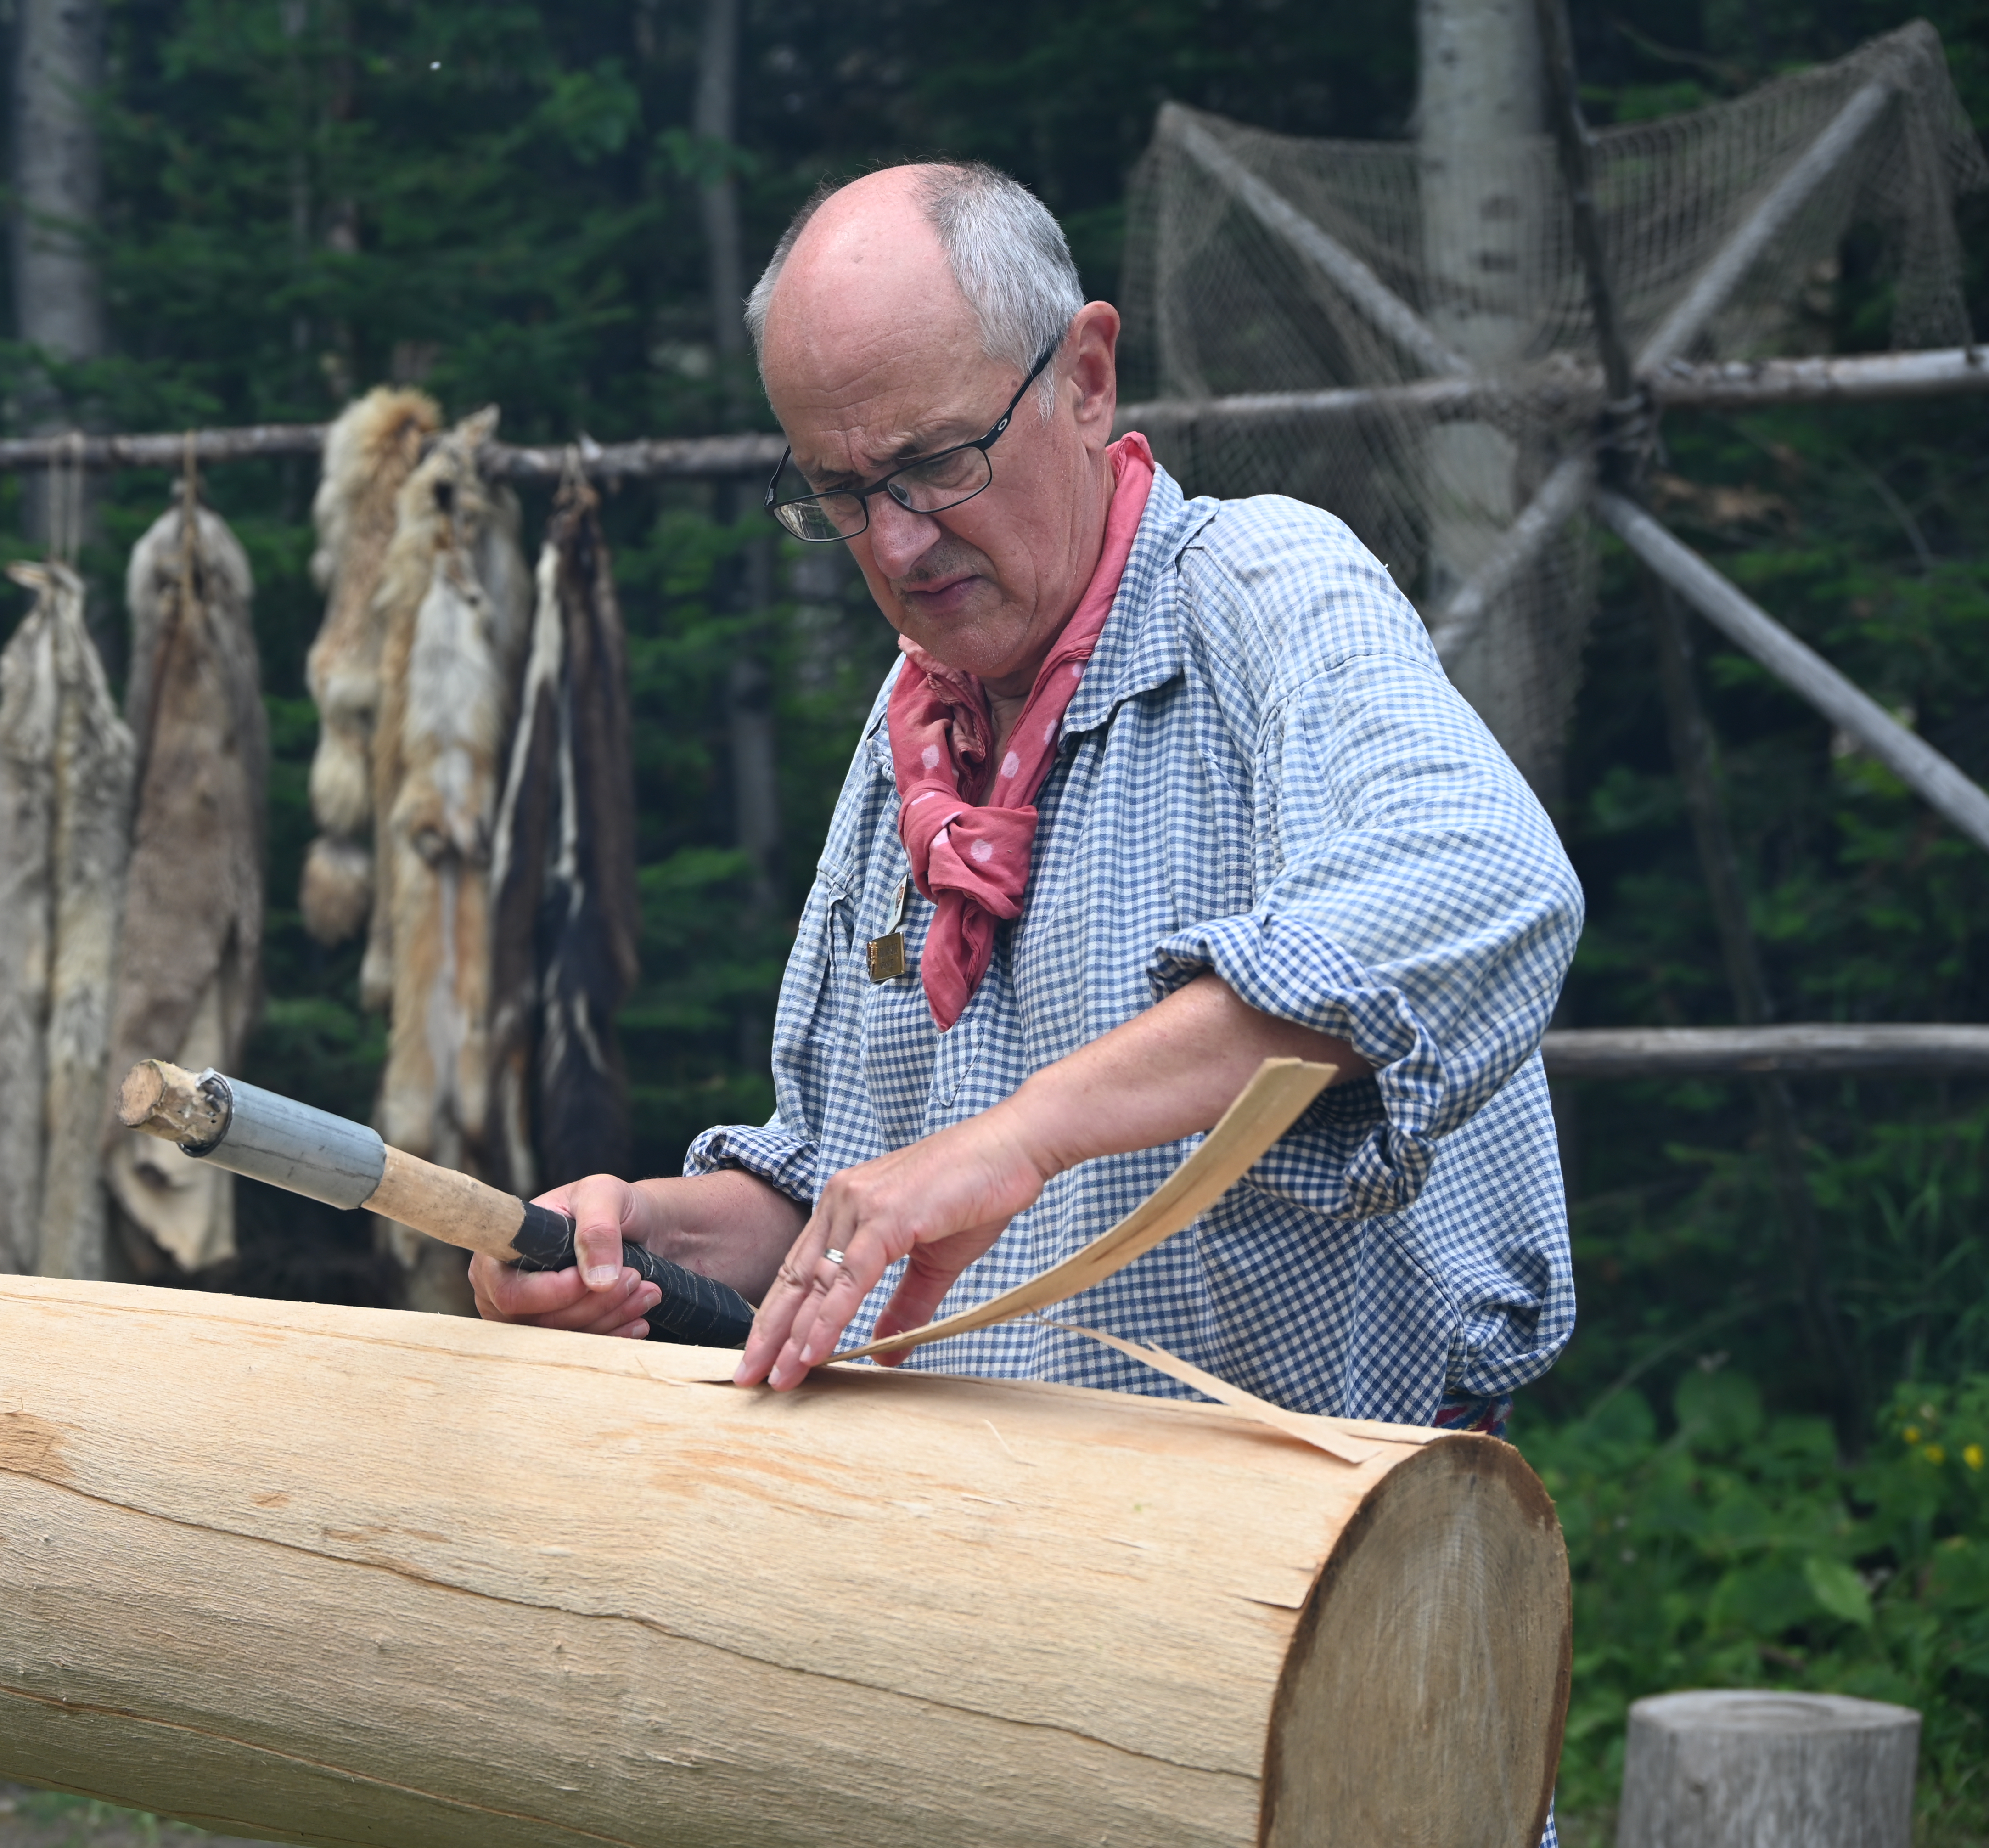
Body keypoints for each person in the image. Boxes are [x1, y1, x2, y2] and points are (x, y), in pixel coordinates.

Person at [470, 160, 1580, 1437]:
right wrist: (629, 1237)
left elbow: (1482, 878)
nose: (892, 546)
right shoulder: (916, 733)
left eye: (936, 463)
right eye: (839, 493)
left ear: (1087, 377)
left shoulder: (1264, 591)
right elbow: (848, 1196)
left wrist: (1020, 1139)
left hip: (1343, 1534)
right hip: (995, 1551)